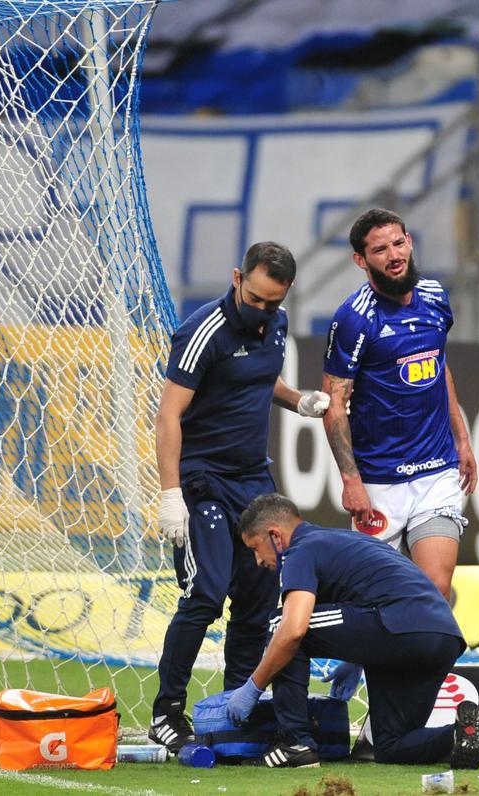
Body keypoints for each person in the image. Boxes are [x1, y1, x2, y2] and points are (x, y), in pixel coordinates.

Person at [148, 242, 330, 754]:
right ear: (236, 278)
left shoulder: (275, 323)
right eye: (254, 298)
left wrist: (299, 400)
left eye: (273, 302)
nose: (262, 310)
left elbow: (258, 377)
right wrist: (170, 492)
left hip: (254, 480)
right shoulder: (201, 331)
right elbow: (168, 417)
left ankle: (234, 707)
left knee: (256, 603)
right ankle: (166, 712)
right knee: (204, 595)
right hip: (204, 481)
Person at [224, 493, 479, 769]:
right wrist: (355, 660)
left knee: (281, 625)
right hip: (443, 638)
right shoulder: (344, 542)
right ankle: (460, 735)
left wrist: (253, 687)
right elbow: (373, 591)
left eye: (254, 548)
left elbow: (293, 630)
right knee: (390, 745)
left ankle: (294, 744)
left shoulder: (299, 550)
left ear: (275, 536)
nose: (257, 561)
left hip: (399, 625)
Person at [321, 207, 477, 599]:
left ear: (409, 242)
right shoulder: (354, 320)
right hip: (379, 483)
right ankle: (357, 663)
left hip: (436, 471)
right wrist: (351, 481)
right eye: (379, 250)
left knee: (435, 589)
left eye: (398, 243)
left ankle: (425, 664)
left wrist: (462, 441)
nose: (394, 255)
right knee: (375, 597)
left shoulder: (436, 298)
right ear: (361, 260)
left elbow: (441, 369)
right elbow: (335, 404)